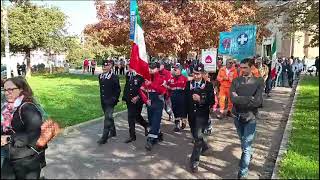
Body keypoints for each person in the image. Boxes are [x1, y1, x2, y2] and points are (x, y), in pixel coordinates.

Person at [1, 77, 46, 179]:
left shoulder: (28, 108)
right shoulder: (8, 107)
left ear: (21, 89)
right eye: (5, 90)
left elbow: (35, 135)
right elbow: (7, 126)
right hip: (11, 154)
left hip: (27, 159)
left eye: (11, 89)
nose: (7, 93)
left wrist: (8, 138)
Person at [230, 58, 264, 179]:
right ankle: (249, 154)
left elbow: (258, 101)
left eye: (245, 67)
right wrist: (250, 98)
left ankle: (243, 172)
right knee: (243, 142)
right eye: (241, 67)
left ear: (251, 67)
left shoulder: (259, 81)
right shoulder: (235, 81)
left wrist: (242, 99)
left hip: (251, 117)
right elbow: (233, 98)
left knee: (246, 146)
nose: (242, 69)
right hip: (237, 116)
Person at [185, 63, 214, 173]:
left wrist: (200, 99)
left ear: (202, 73)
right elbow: (185, 100)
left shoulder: (208, 85)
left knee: (197, 138)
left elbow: (212, 101)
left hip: (202, 115)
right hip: (191, 115)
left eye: (199, 74)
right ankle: (205, 146)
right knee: (196, 135)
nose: (196, 76)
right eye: (195, 73)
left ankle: (194, 161)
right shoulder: (188, 84)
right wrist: (183, 116)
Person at [139, 62, 166, 151]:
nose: (150, 69)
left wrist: (151, 84)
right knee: (151, 121)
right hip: (149, 102)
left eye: (153, 68)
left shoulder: (162, 78)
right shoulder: (146, 78)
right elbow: (141, 90)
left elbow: (162, 91)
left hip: (158, 102)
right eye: (149, 68)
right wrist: (146, 100)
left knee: (155, 120)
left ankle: (150, 140)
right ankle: (158, 134)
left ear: (157, 69)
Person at [122, 67, 149, 143]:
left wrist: (138, 97)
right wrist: (125, 97)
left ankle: (146, 125)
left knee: (137, 116)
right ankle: (132, 136)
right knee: (130, 117)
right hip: (129, 100)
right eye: (128, 66)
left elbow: (144, 89)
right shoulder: (128, 74)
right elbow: (127, 86)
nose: (128, 68)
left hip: (138, 100)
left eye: (131, 66)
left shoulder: (141, 76)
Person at [97, 60, 121, 145]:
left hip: (111, 101)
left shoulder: (114, 77)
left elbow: (118, 90)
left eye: (106, 66)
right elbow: (102, 89)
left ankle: (104, 138)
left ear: (110, 67)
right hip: (103, 101)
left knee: (107, 119)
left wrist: (114, 100)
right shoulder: (100, 76)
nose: (104, 67)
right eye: (103, 66)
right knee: (109, 117)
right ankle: (113, 131)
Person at [166, 63, 188, 132]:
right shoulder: (171, 79)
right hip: (174, 95)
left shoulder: (184, 78)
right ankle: (177, 125)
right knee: (175, 110)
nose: (175, 70)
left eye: (176, 69)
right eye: (174, 69)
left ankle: (184, 121)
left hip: (182, 95)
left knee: (182, 110)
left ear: (180, 70)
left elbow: (187, 89)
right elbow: (167, 86)